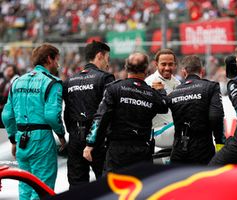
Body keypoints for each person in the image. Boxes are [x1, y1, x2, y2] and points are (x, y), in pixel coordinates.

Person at [83, 52, 168, 172]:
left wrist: (90, 144)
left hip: (118, 151)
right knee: (140, 188)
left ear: (126, 67)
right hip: (142, 150)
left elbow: (100, 117)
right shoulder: (152, 94)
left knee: (114, 188)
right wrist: (161, 91)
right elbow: (164, 106)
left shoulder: (114, 88)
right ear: (146, 70)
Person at [1, 43, 66, 200]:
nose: (58, 64)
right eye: (57, 60)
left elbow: (6, 115)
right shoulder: (52, 82)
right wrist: (62, 136)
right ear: (49, 59)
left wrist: (13, 139)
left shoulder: (17, 82)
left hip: (22, 139)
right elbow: (52, 116)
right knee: (42, 188)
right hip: (41, 139)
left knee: (25, 187)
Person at [63, 41, 115, 189]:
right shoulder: (105, 78)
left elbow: (67, 113)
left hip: (74, 138)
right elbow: (109, 111)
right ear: (99, 55)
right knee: (106, 186)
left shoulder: (69, 81)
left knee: (77, 186)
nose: (108, 63)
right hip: (98, 140)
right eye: (107, 58)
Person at [168, 55, 225, 165]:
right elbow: (216, 116)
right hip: (203, 148)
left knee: (179, 182)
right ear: (202, 71)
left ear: (184, 72)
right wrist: (219, 142)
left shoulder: (173, 93)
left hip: (179, 149)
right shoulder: (211, 87)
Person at [145, 48, 181, 149]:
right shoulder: (149, 82)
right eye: (163, 64)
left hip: (171, 131)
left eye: (170, 64)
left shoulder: (178, 83)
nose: (167, 68)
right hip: (157, 132)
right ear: (156, 65)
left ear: (175, 65)